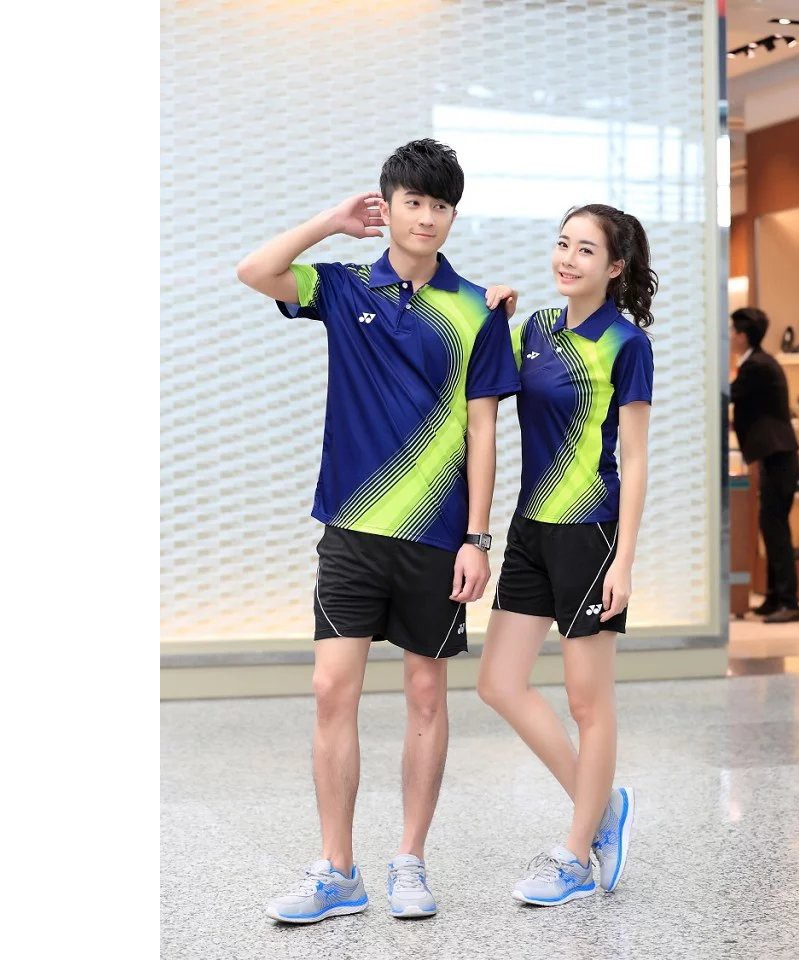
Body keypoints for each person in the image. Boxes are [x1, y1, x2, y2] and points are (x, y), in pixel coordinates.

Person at [236, 139, 520, 923]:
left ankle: (409, 860)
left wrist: (478, 539)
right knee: (332, 690)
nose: (427, 217)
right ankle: (337, 869)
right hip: (352, 530)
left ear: (453, 215)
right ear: (386, 206)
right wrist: (329, 222)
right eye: (413, 202)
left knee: (426, 693)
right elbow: (254, 271)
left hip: (437, 537)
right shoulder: (342, 286)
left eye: (441, 205)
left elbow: (484, 431)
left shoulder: (479, 310)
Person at [478, 204, 655, 906]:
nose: (568, 258)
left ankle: (577, 855)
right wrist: (494, 313)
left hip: (591, 532)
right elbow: (487, 385)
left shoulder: (626, 344)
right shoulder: (535, 329)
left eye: (586, 250)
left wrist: (624, 561)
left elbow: (635, 458)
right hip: (531, 530)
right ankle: (603, 805)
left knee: (588, 701)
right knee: (499, 682)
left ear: (614, 267)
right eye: (562, 244)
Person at [729, 306, 799, 623]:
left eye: (732, 331)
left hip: (778, 456)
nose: (730, 336)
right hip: (776, 455)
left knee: (775, 527)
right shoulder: (758, 362)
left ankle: (788, 601)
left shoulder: (755, 366)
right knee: (770, 526)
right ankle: (774, 597)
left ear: (743, 336)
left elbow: (727, 395)